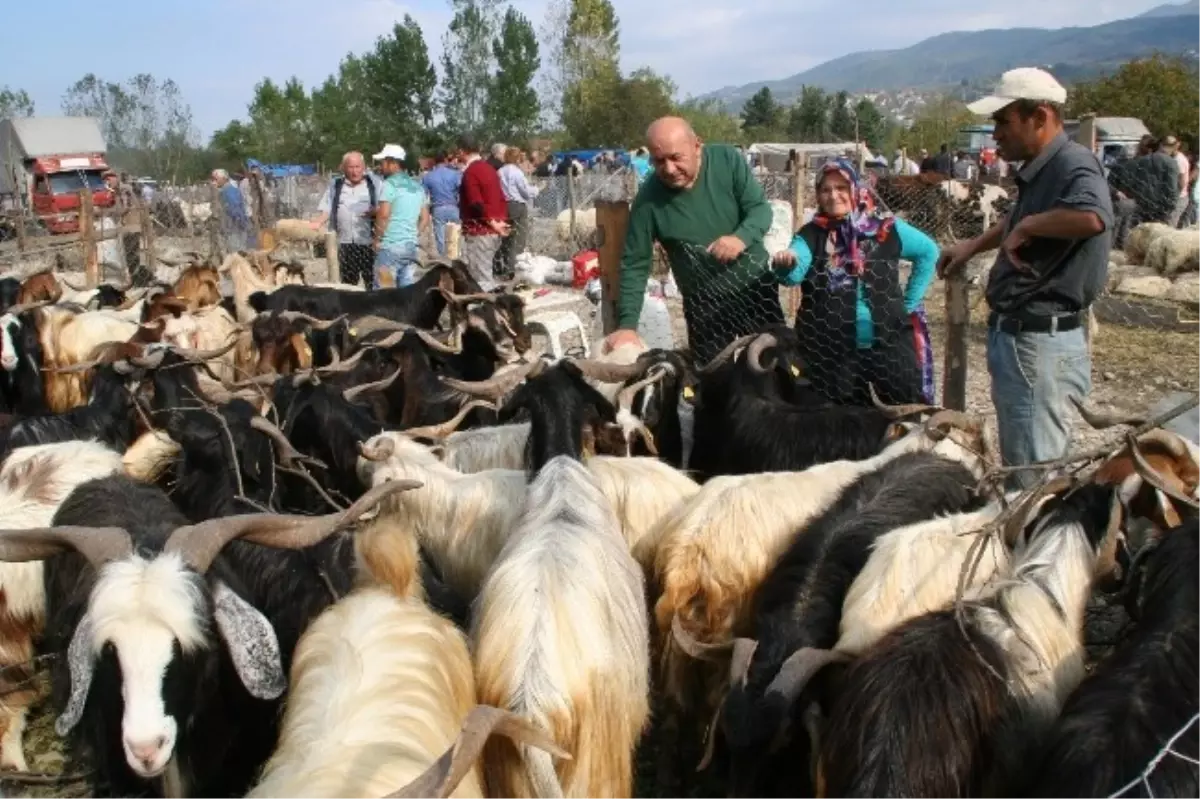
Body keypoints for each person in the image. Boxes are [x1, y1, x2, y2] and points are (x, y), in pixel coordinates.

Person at [938, 67, 1112, 489]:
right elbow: (1017, 217)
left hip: (1039, 342)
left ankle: (1033, 542)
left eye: (1003, 120)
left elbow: (1093, 217)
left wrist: (1031, 227)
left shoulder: (1072, 164)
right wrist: (972, 247)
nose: (995, 132)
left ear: (1040, 116)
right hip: (1026, 342)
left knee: (1035, 478)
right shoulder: (1041, 168)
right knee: (1026, 459)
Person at [603, 116, 784, 363]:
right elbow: (635, 263)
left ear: (697, 146)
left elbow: (760, 210)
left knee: (772, 366)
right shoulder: (648, 201)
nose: (668, 169)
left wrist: (740, 238)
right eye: (659, 161)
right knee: (713, 378)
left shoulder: (726, 161)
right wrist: (627, 326)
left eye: (676, 157)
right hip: (704, 303)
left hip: (754, 287)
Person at [771, 159, 939, 405]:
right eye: (826, 190)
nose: (833, 196)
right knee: (839, 421)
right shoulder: (810, 235)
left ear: (854, 189)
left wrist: (910, 303)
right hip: (831, 351)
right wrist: (786, 264)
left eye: (841, 188)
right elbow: (794, 273)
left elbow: (928, 252)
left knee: (899, 416)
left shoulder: (886, 229)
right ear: (818, 195)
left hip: (889, 343)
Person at [310, 151, 381, 287]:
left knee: (373, 284)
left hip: (370, 243)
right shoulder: (335, 185)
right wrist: (318, 222)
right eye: (351, 167)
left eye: (358, 167)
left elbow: (386, 208)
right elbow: (327, 208)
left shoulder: (375, 184)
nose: (355, 171)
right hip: (344, 244)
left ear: (364, 167)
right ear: (343, 168)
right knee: (348, 285)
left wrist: (375, 212)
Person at [455, 134, 509, 291]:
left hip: (480, 231)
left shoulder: (471, 172)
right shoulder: (489, 169)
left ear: (461, 151)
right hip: (493, 229)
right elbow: (500, 198)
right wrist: (501, 222)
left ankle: (484, 310)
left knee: (480, 279)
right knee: (486, 274)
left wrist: (492, 222)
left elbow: (476, 203)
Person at [371, 144, 428, 289]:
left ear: (393, 163)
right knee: (406, 291)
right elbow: (426, 218)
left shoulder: (389, 185)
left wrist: (377, 239)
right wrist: (413, 233)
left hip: (390, 246)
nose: (381, 166)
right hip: (411, 247)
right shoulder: (417, 186)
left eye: (383, 162)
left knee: (384, 291)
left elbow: (383, 215)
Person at [498, 147, 538, 276]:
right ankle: (514, 268)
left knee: (506, 237)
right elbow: (525, 191)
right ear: (517, 158)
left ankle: (503, 266)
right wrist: (536, 190)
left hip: (504, 206)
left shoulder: (499, 172)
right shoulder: (517, 173)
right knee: (519, 237)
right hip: (518, 205)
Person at [421, 152, 462, 257]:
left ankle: (444, 260)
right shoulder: (455, 174)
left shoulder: (428, 176)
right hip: (453, 207)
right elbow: (460, 189)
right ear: (445, 160)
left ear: (434, 162)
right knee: (455, 236)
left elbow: (423, 195)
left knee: (440, 238)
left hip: (438, 208)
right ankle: (456, 257)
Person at [212, 169, 253, 253]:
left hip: (234, 228)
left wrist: (239, 223)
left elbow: (234, 209)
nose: (214, 182)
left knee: (236, 252)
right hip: (235, 226)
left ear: (223, 179)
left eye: (216, 179)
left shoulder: (228, 191)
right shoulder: (228, 190)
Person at [1162, 135, 1191, 227]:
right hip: (1172, 198)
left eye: (1170, 145)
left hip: (1178, 198)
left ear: (1177, 145)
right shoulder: (1172, 158)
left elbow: (1182, 183)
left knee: (1170, 225)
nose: (1167, 148)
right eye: (1166, 145)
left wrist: (1172, 199)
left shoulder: (1179, 160)